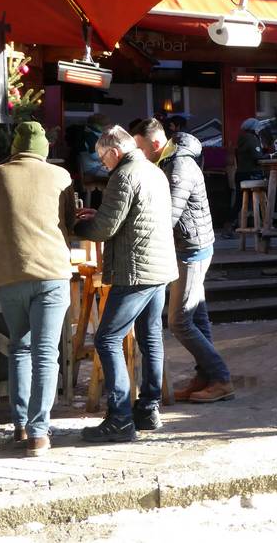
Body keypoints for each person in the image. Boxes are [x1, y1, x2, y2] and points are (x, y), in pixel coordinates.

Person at [0, 123, 76, 457]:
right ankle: (39, 434)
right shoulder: (61, 176)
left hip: (9, 274)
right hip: (51, 274)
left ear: (15, 148)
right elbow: (71, 222)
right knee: (45, 353)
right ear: (44, 148)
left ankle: (19, 425)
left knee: (20, 346)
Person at [74, 125, 177, 442]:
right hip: (159, 267)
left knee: (107, 339)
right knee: (150, 337)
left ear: (115, 152)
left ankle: (119, 418)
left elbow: (105, 229)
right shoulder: (153, 171)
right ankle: (148, 409)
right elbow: (131, 215)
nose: (102, 165)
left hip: (135, 271)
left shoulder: (123, 175)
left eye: (103, 158)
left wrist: (78, 226)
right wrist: (100, 214)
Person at [131, 119, 234, 402]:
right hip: (190, 246)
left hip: (191, 249)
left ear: (155, 144)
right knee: (197, 318)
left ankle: (222, 378)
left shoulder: (177, 166)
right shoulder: (168, 161)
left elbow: (167, 216)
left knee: (179, 321)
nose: (138, 154)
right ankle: (206, 377)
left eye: (140, 148)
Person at [230, 117, 264, 230]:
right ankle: (265, 222)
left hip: (240, 174)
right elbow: (257, 157)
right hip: (251, 173)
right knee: (264, 195)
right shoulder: (252, 138)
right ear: (254, 128)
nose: (259, 129)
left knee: (239, 201)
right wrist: (270, 156)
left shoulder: (242, 138)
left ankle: (229, 225)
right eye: (258, 127)